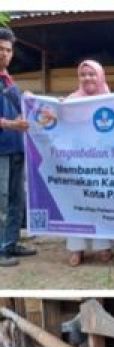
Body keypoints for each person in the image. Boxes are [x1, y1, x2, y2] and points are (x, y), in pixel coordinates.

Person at [65, 60, 114, 267]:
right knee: (77, 204)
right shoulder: (72, 100)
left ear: (100, 76)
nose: (87, 78)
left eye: (92, 74)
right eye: (83, 75)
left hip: (103, 160)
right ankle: (76, 248)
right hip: (78, 160)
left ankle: (103, 245)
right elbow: (54, 117)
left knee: (101, 202)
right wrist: (35, 101)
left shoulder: (111, 100)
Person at [0, 27, 32, 268]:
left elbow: (22, 109)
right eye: (0, 49)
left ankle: (10, 243)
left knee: (16, 200)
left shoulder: (9, 79)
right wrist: (12, 124)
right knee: (1, 201)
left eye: (8, 50)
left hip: (16, 148)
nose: (4, 54)